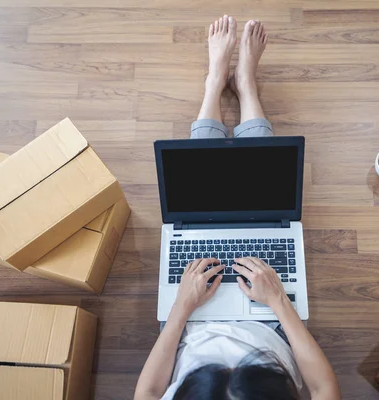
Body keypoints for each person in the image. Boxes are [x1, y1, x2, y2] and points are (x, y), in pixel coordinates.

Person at [134, 16, 341, 400]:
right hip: (272, 325)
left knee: (203, 181)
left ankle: (215, 83)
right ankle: (245, 85)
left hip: (190, 323)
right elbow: (324, 387)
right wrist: (277, 300)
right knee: (258, 181)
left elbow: (146, 392)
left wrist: (182, 307)